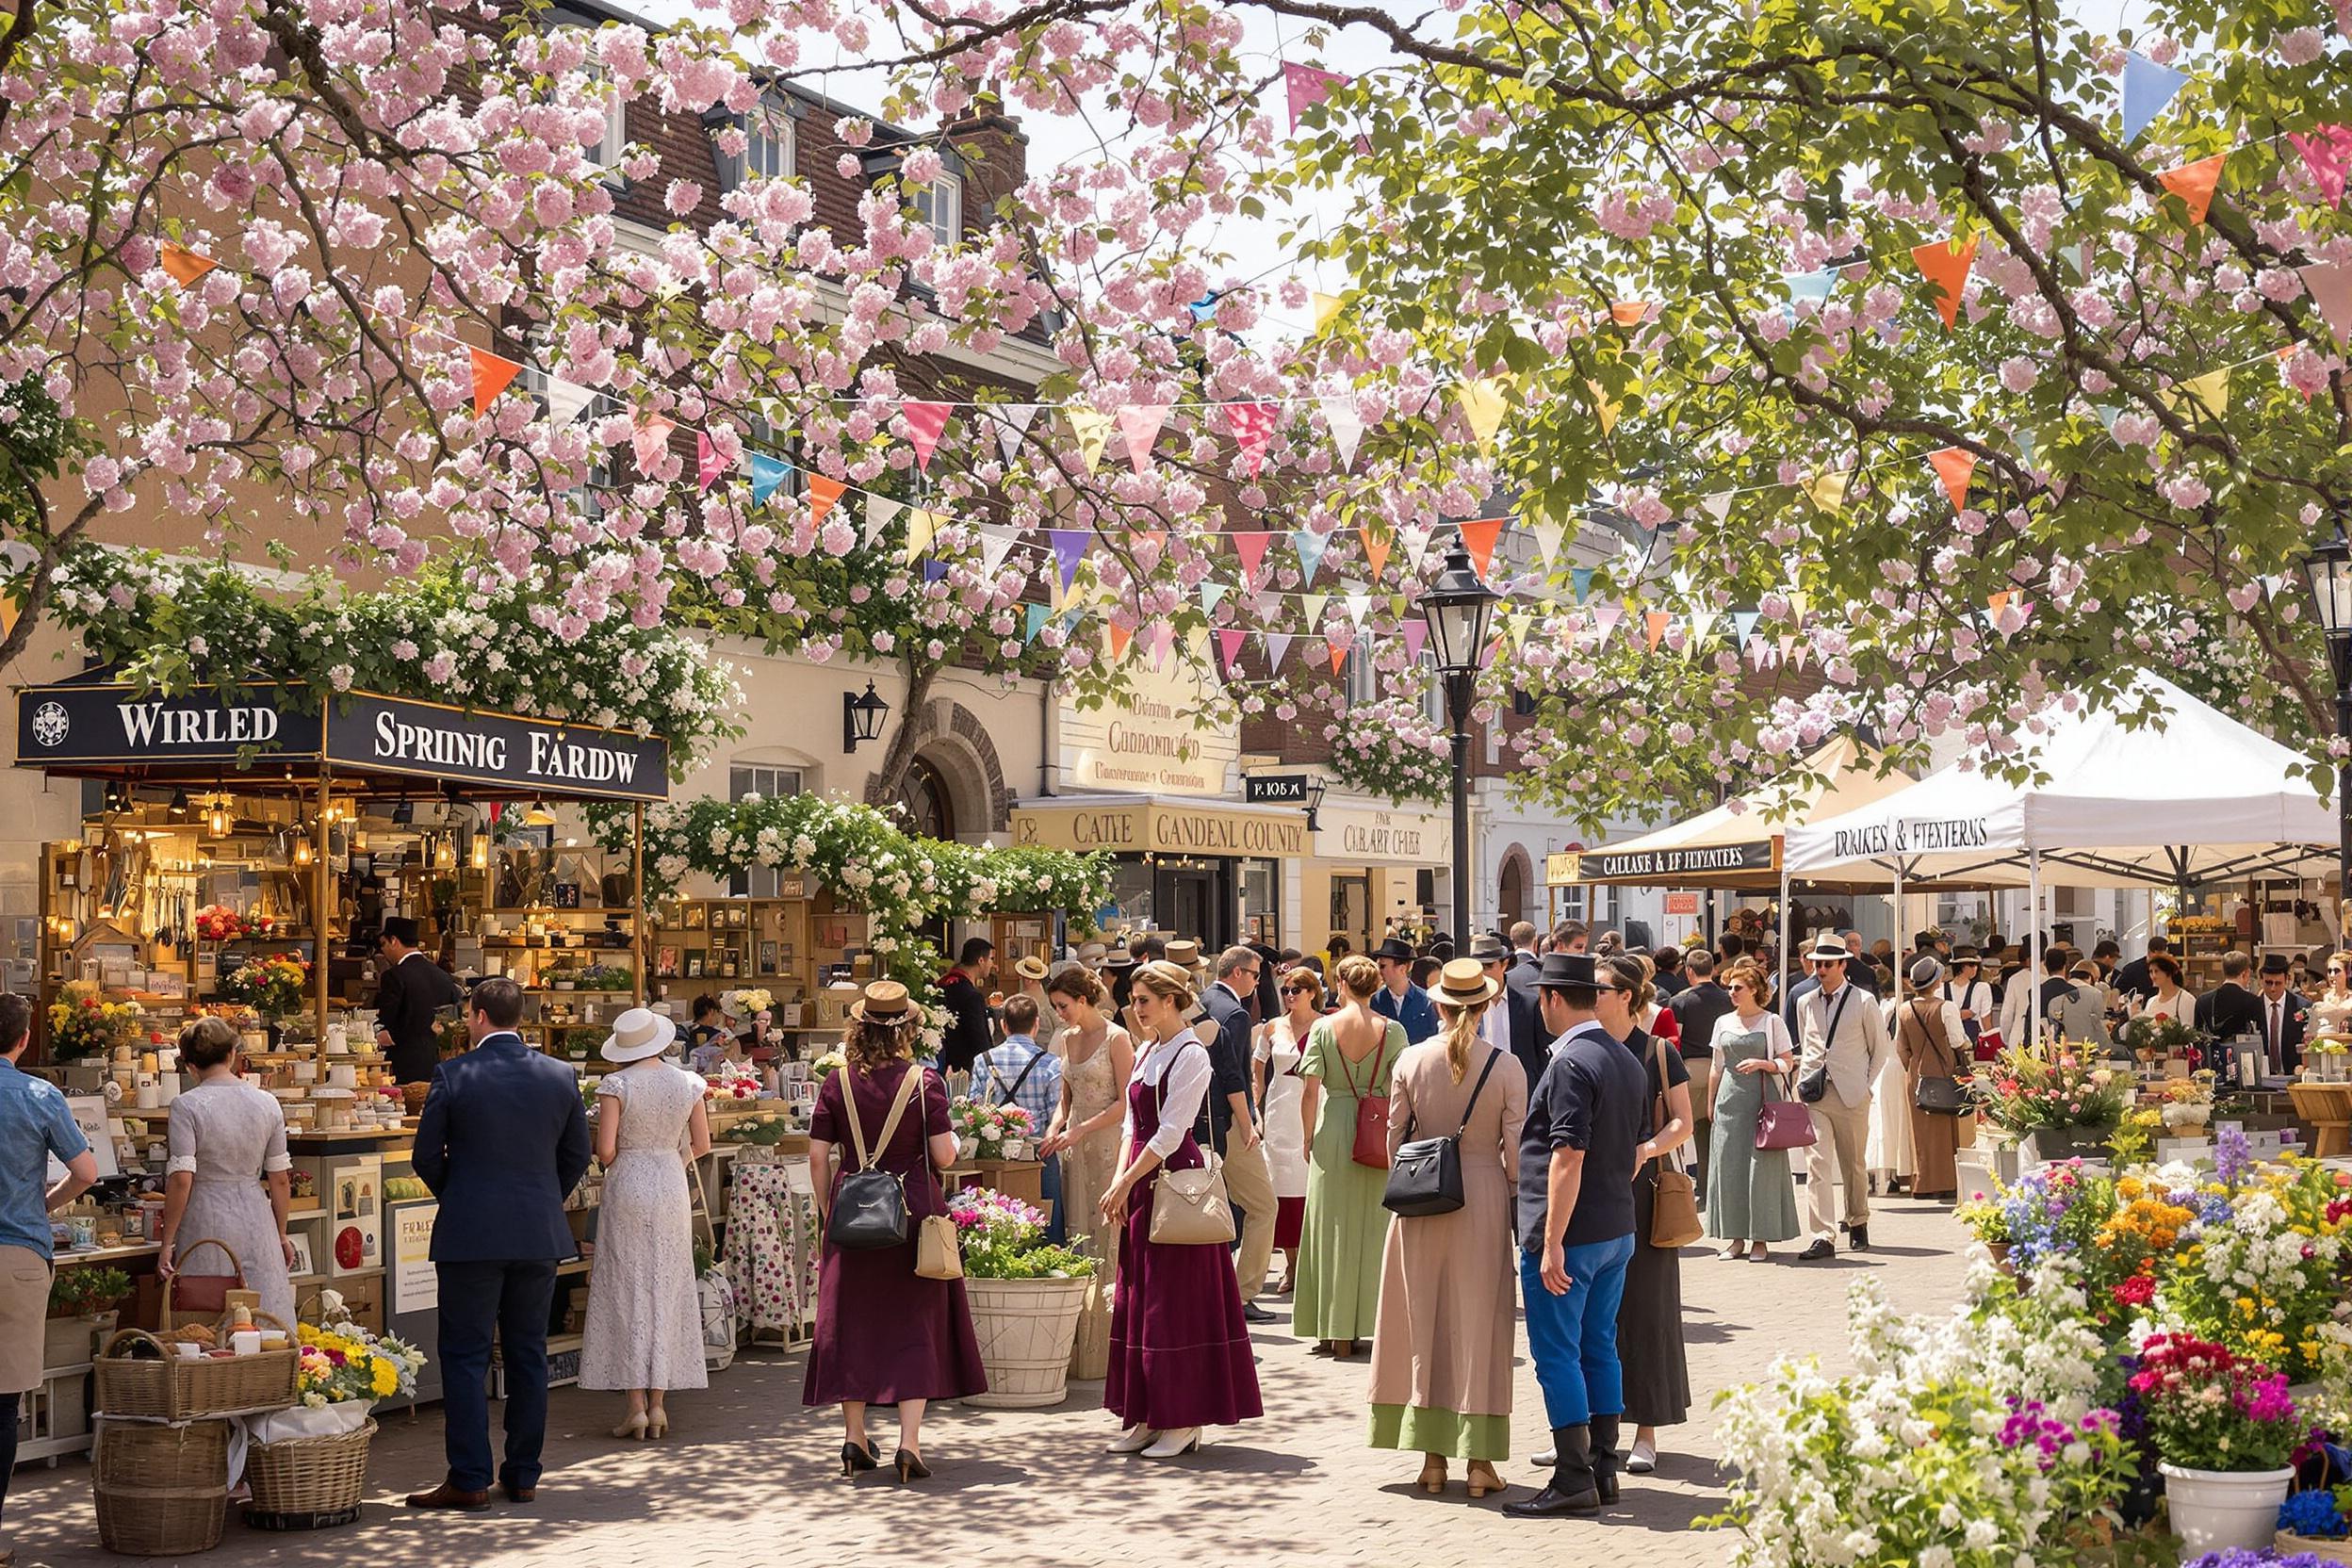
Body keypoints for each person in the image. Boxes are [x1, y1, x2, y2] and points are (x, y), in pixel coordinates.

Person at [408, 977, 593, 1511]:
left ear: (478, 1016)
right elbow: (576, 1152)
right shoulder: (560, 1075)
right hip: (537, 1232)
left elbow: (426, 1156)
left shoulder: (453, 1074)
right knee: (527, 1352)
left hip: (471, 1234)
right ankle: (523, 1474)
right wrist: (543, 1196)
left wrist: (461, 1194)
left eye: (468, 1013)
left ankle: (468, 1478)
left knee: (465, 1357)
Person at [803, 982, 985, 1481]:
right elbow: (945, 1156)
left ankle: (853, 1438)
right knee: (914, 1326)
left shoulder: (836, 1082)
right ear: (907, 1028)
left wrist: (828, 1213)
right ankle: (909, 1445)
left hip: (852, 1216)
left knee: (850, 1326)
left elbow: (818, 1156)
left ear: (858, 1028)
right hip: (913, 1217)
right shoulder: (923, 1082)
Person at [1368, 959, 1527, 1499]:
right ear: (1484, 1008)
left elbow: (1394, 1142)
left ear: (1436, 1005)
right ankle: (1479, 1462)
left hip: (1419, 1200)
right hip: (1481, 1198)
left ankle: (1431, 1458)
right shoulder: (1507, 1067)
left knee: (1421, 1322)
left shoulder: (1410, 1060)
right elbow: (1516, 1159)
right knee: (1481, 1325)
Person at [1503, 951, 1648, 1520]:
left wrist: (1553, 1239)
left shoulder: (1570, 1062)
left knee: (1557, 1353)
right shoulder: (1623, 1055)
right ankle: (1603, 1468)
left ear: (1552, 999)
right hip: (1616, 1227)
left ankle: (1572, 1476)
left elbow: (1568, 1155)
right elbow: (1632, 1149)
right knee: (1598, 1346)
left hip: (1573, 1232)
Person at [1102, 961, 1263, 1459]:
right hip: (1141, 1176)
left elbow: (1172, 1129)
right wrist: (1119, 1178)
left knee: (1176, 1305)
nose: (1135, 1007)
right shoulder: (1150, 1047)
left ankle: (1185, 1417)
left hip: (1175, 1181)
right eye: (1133, 999)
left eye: (1144, 999)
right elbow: (1133, 1123)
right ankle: (1149, 1413)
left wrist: (1129, 1178)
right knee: (1142, 1299)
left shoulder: (1192, 1053)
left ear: (1171, 1001)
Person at [580, 1008, 710, 1438]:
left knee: (628, 1285)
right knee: (667, 1283)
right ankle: (658, 1405)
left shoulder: (618, 1084)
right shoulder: (688, 1082)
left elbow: (606, 1151)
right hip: (670, 1181)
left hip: (630, 1183)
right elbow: (703, 1144)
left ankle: (634, 1405)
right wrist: (671, 1159)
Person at [0, 992, 98, 1554]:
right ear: (23, 1038)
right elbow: (85, 1170)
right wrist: (45, 1205)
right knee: (2, 1401)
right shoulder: (38, 1094)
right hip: (16, 1254)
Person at [1607, 955, 1694, 1479]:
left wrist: (1649, 1147)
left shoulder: (1658, 1052)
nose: (1589, 997)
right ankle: (1597, 1428)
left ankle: (1646, 1431)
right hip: (1597, 1192)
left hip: (1647, 1195)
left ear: (1626, 996)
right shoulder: (1586, 1047)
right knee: (1599, 1314)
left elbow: (1684, 1120)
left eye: (1599, 989)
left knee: (1647, 1312)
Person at [1295, 954, 1407, 1356]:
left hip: (1336, 1124)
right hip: (1376, 1131)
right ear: (1375, 986)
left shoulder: (1323, 1028)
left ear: (1341, 983)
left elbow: (1310, 1092)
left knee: (1329, 1227)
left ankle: (1331, 1327)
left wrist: (1307, 1137)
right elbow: (1400, 1090)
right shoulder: (1392, 1030)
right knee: (1373, 1231)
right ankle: (1368, 1322)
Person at [155, 1017, 296, 1329]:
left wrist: (168, 1242)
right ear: (233, 1054)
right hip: (256, 1214)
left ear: (190, 1066)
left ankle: (213, 1376)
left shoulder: (186, 1106)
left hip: (207, 1214)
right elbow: (280, 1178)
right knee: (264, 1312)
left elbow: (181, 1178)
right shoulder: (267, 1103)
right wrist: (282, 1233)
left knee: (206, 1315)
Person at [1194, 946, 1278, 1321]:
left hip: (1199, 1123)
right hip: (1229, 1122)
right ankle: (1241, 1292)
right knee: (1263, 1207)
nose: (1259, 984)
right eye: (1256, 976)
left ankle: (1216, 1288)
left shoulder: (1201, 1002)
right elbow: (1235, 1076)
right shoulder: (1236, 1014)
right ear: (1238, 974)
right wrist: (1249, 1123)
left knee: (1211, 1209)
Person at [1794, 931, 1887, 1261]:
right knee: (1817, 1166)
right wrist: (1805, 1077)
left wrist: (1865, 1086)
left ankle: (1858, 1219)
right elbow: (1808, 1045)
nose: (1820, 970)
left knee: (1854, 1164)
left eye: (1827, 964)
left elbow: (1880, 1050)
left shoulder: (1864, 1001)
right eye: (1817, 963)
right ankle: (1822, 1234)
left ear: (1842, 965)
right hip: (1816, 1093)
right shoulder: (1805, 1002)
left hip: (1852, 1094)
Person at [1038, 965, 1135, 1275]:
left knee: (1107, 1225)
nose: (1059, 1012)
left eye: (1062, 1006)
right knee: (1076, 1226)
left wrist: (1079, 1129)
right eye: (1054, 1007)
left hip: (1108, 1142)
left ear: (1082, 1000)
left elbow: (1126, 1103)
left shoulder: (1116, 1037)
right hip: (1075, 1146)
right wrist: (1055, 1127)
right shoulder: (1068, 1038)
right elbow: (1066, 1100)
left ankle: (1109, 1312)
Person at [1704, 961, 1801, 1262]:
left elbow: (1788, 1062)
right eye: (1730, 986)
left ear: (1755, 990)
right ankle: (1735, 1239)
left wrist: (1764, 1064)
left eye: (1737, 987)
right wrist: (1710, 1104)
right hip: (1729, 1103)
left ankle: (1761, 1239)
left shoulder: (1771, 1022)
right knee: (1729, 1168)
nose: (1731, 992)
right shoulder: (1722, 1022)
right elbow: (1715, 1067)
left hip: (1761, 1101)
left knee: (1761, 1170)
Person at [1250, 968, 1318, 1295]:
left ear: (1313, 992)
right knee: (1280, 1189)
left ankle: (1310, 1263)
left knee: (1310, 1187)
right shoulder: (1272, 1027)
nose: (1291, 995)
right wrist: (1257, 1105)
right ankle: (1290, 1264)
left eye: (1298, 989)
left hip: (1315, 1107)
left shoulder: (1326, 1024)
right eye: (1286, 990)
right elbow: (1258, 1065)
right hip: (1280, 1112)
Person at [976, 995, 1066, 1237]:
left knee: (996, 1225)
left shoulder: (982, 1061)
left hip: (994, 1155)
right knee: (1047, 1224)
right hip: (1038, 1153)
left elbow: (975, 1109)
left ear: (1004, 1025)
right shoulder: (1050, 1063)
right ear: (1036, 1024)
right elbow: (1055, 1113)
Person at [1889, 958, 1968, 1202]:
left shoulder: (1904, 1009)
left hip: (1916, 1074)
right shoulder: (1946, 1007)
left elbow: (1901, 1048)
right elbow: (1957, 1041)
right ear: (1936, 981)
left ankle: (1923, 1181)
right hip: (1943, 1072)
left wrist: (1913, 1069)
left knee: (1920, 1132)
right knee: (1946, 1128)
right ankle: (1948, 1182)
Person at [1668, 951, 1733, 1201]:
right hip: (1724, 1069)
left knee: (1687, 1132)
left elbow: (1676, 1041)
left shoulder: (1680, 1001)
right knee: (1716, 1132)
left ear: (1689, 971)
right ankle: (1717, 1186)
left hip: (1691, 1070)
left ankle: (1699, 1187)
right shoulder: (1729, 998)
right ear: (1714, 970)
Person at [374, 914, 465, 1085]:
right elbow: (453, 1020)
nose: (383, 951)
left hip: (403, 1066)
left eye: (384, 944)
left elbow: (387, 1022)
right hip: (438, 1064)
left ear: (394, 941)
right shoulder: (444, 977)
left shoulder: (394, 976)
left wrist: (380, 1034)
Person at [1472, 934, 1546, 1094]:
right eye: (1478, 967)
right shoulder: (1467, 1008)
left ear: (1504, 964)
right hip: (1480, 1092)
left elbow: (1542, 1056)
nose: (1483, 974)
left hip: (1521, 1091)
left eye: (1488, 966)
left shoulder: (1529, 1005)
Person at [937, 937, 996, 1077]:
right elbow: (979, 1040)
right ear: (981, 960)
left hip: (943, 1064)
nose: (992, 965)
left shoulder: (943, 986)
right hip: (965, 1069)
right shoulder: (971, 996)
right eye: (991, 959)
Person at [1367, 937, 1440, 1044]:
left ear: (1403, 969)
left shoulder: (1427, 1001)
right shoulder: (1374, 1001)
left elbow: (1434, 1040)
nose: (1379, 972)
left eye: (1383, 966)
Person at [2254, 954, 2311, 1076]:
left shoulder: (2302, 1007)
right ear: (2261, 980)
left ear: (2287, 980)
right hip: (2261, 1076)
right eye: (2268, 983)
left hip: (2293, 1075)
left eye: (2278, 983)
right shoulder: (2252, 1007)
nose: (2273, 988)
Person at [1940, 946, 1998, 1055]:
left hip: (1973, 1041)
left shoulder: (1982, 988)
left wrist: (1991, 1046)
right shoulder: (1941, 989)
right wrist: (1964, 1014)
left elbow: (1986, 1021)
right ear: (1961, 967)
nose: (1975, 968)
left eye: (1976, 965)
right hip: (1948, 1041)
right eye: (1971, 965)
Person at [2197, 950, 2263, 1043]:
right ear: (2246, 973)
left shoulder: (2203, 1000)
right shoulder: (2253, 1002)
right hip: (2244, 1054)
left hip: (2210, 1055)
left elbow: (2197, 1034)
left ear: (2223, 971)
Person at [2051, 960, 2115, 1052]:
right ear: (2090, 977)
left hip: (2060, 1049)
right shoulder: (2095, 994)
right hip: (2088, 1049)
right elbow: (2098, 1025)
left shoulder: (2057, 992)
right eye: (2096, 979)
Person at [2139, 952, 2197, 1026]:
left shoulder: (2186, 1000)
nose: (2153, 976)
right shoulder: (2151, 1002)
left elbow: (2189, 1032)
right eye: (2151, 972)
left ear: (2168, 972)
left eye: (2156, 971)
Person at [2113, 935, 2169, 1002]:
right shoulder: (2132, 969)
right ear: (2149, 952)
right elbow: (2118, 989)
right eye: (2159, 955)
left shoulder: (2168, 970)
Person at [2312, 952, 2352, 1036]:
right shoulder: (2326, 996)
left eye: (2337, 971)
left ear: (2347, 973)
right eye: (2329, 971)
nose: (2332, 975)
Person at [684, 994, 729, 1067]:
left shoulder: (687, 1029)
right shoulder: (716, 1035)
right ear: (711, 1012)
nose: (718, 1017)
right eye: (718, 1012)